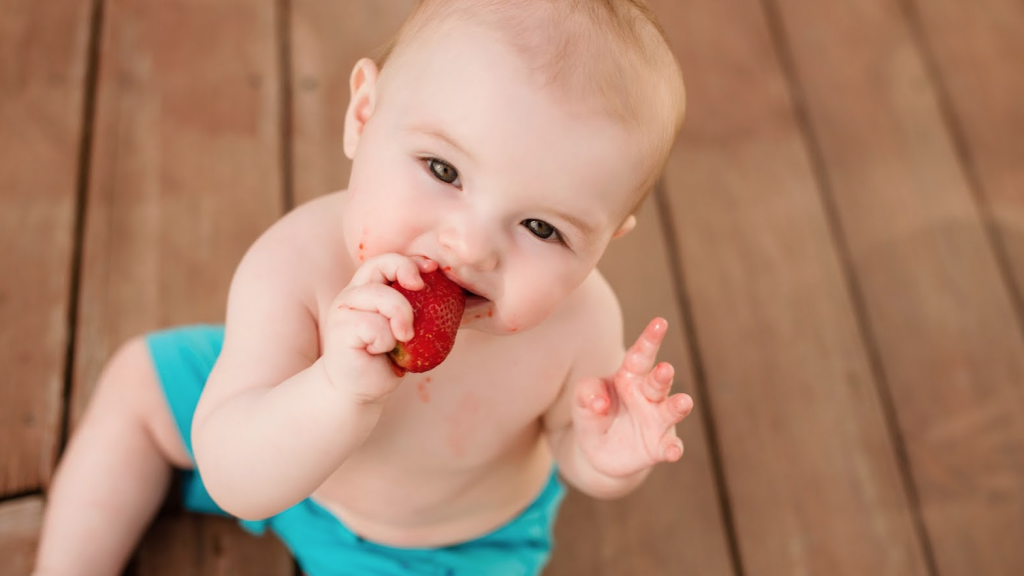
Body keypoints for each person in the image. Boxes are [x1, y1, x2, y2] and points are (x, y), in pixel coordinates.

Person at [33, 0, 690, 574]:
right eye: (443, 169)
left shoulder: (582, 322)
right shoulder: (295, 265)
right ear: (363, 115)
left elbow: (569, 446)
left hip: (431, 547)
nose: (469, 246)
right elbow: (238, 476)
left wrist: (606, 460)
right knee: (140, 385)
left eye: (542, 228)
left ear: (607, 240)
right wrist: (334, 388)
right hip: (274, 431)